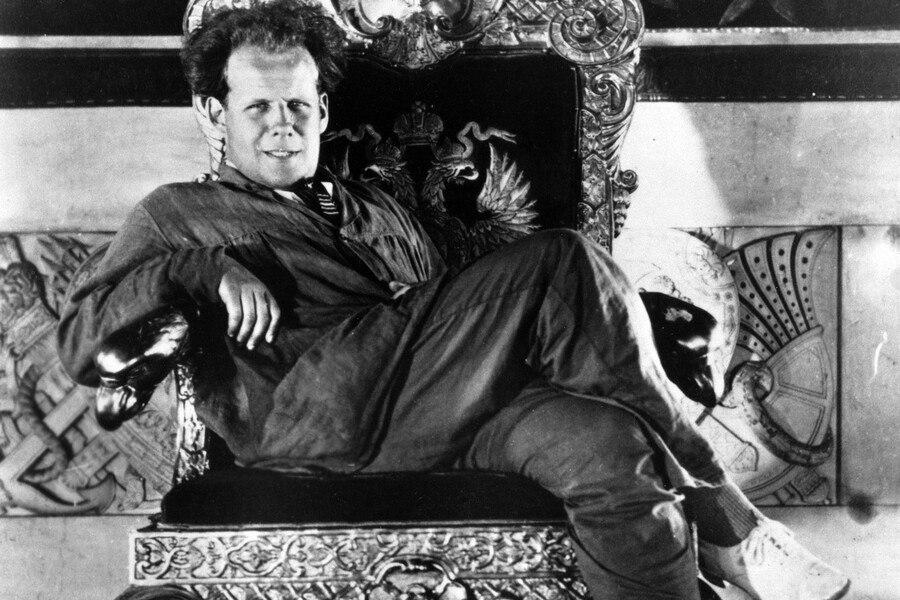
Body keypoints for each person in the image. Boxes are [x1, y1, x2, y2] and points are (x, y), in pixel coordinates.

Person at [56, 2, 849, 599]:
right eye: (257, 107)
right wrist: (200, 271)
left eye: (297, 106)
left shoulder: (373, 207)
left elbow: (450, 323)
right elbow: (78, 340)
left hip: (428, 406)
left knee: (610, 446)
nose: (281, 126)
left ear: (323, 111)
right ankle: (733, 526)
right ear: (214, 113)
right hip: (315, 414)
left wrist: (616, 325)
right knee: (561, 258)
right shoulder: (178, 212)